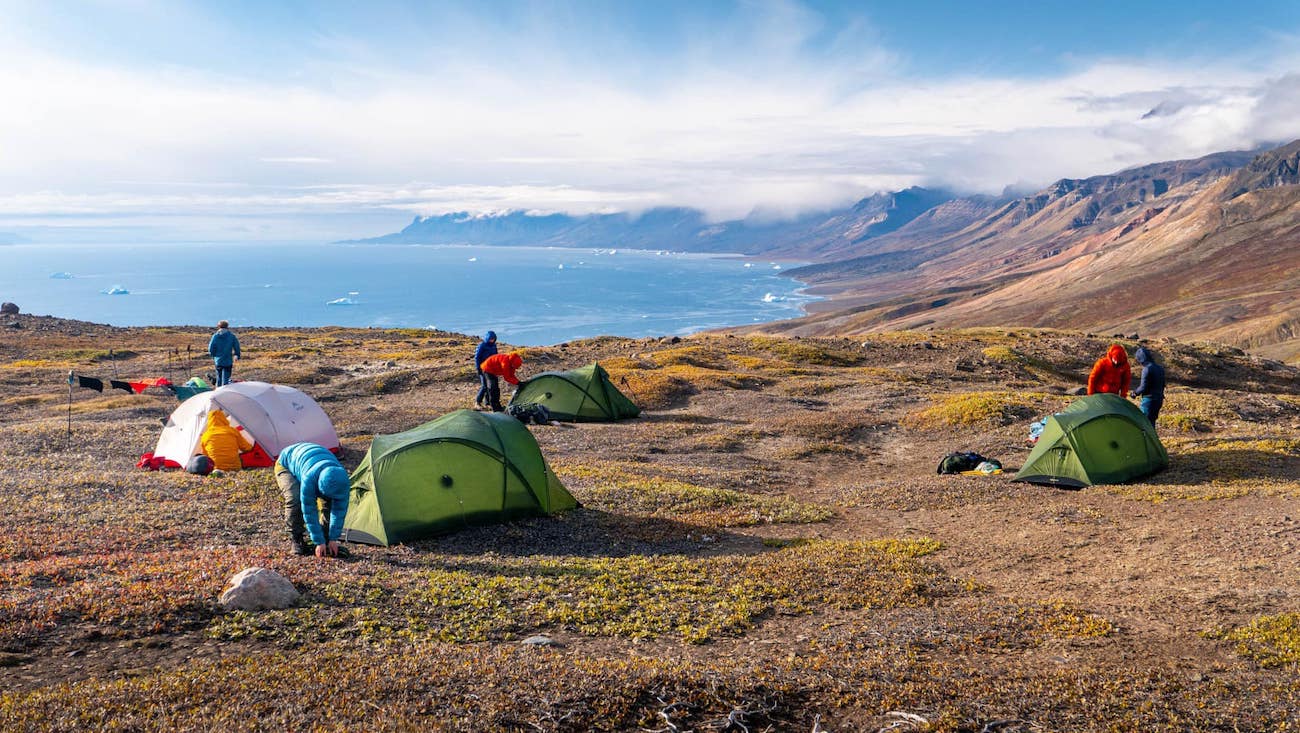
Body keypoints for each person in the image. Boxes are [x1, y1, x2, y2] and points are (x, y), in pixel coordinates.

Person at [274, 442, 351, 558]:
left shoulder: (342, 481)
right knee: (295, 499)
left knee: (329, 502)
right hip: (286, 462)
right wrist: (318, 541)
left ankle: (325, 537)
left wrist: (333, 539)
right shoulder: (309, 479)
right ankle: (296, 538)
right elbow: (309, 510)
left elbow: (339, 511)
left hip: (312, 458)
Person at [1131, 345, 1166, 428]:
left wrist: (1135, 393)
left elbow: (1143, 387)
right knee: (1151, 422)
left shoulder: (1147, 369)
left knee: (1145, 423)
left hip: (1149, 400)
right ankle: (1152, 440)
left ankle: (1145, 440)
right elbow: (1163, 384)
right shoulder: (1160, 368)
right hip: (1159, 399)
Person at [208, 320, 241, 387]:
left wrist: (213, 355)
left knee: (219, 378)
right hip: (228, 361)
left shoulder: (215, 336)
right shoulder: (231, 336)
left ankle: (218, 393)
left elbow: (210, 348)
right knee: (226, 379)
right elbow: (236, 346)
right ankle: (224, 393)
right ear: (227, 326)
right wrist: (237, 355)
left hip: (218, 360)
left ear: (219, 326)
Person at [473, 331, 498, 409]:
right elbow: (477, 357)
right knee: (484, 386)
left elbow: (496, 357)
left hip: (491, 369)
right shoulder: (482, 346)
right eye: (491, 339)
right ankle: (477, 402)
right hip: (482, 368)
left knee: (489, 386)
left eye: (493, 339)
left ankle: (487, 403)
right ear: (487, 338)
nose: (492, 340)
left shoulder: (494, 346)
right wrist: (478, 368)